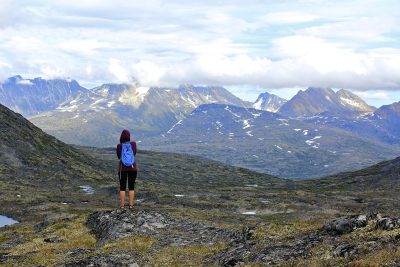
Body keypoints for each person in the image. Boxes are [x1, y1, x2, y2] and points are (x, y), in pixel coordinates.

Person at [116, 129, 138, 209]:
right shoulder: (133, 144)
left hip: (122, 169)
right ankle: (131, 206)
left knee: (122, 187)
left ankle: (122, 206)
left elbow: (119, 156)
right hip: (133, 168)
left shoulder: (119, 146)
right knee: (131, 187)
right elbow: (134, 153)